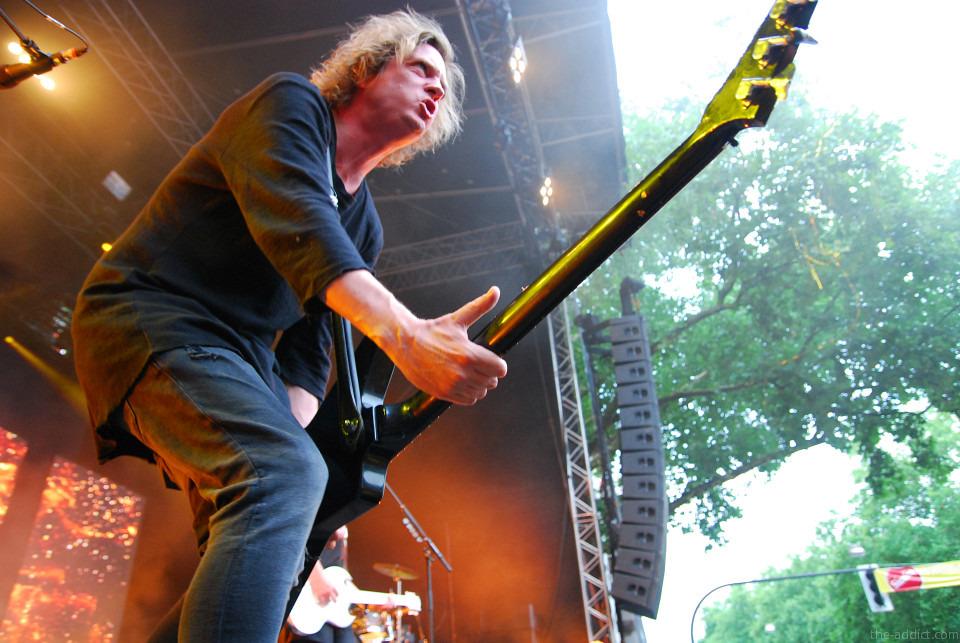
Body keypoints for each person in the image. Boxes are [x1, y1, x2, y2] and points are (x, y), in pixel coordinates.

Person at [69, 9, 507, 643]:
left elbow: (308, 351)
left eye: (441, 84)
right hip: (150, 317)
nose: (436, 88)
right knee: (282, 476)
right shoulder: (291, 105)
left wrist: (300, 451)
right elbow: (303, 222)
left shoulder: (366, 227)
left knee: (283, 529)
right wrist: (407, 336)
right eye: (420, 68)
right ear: (366, 69)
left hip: (240, 360)